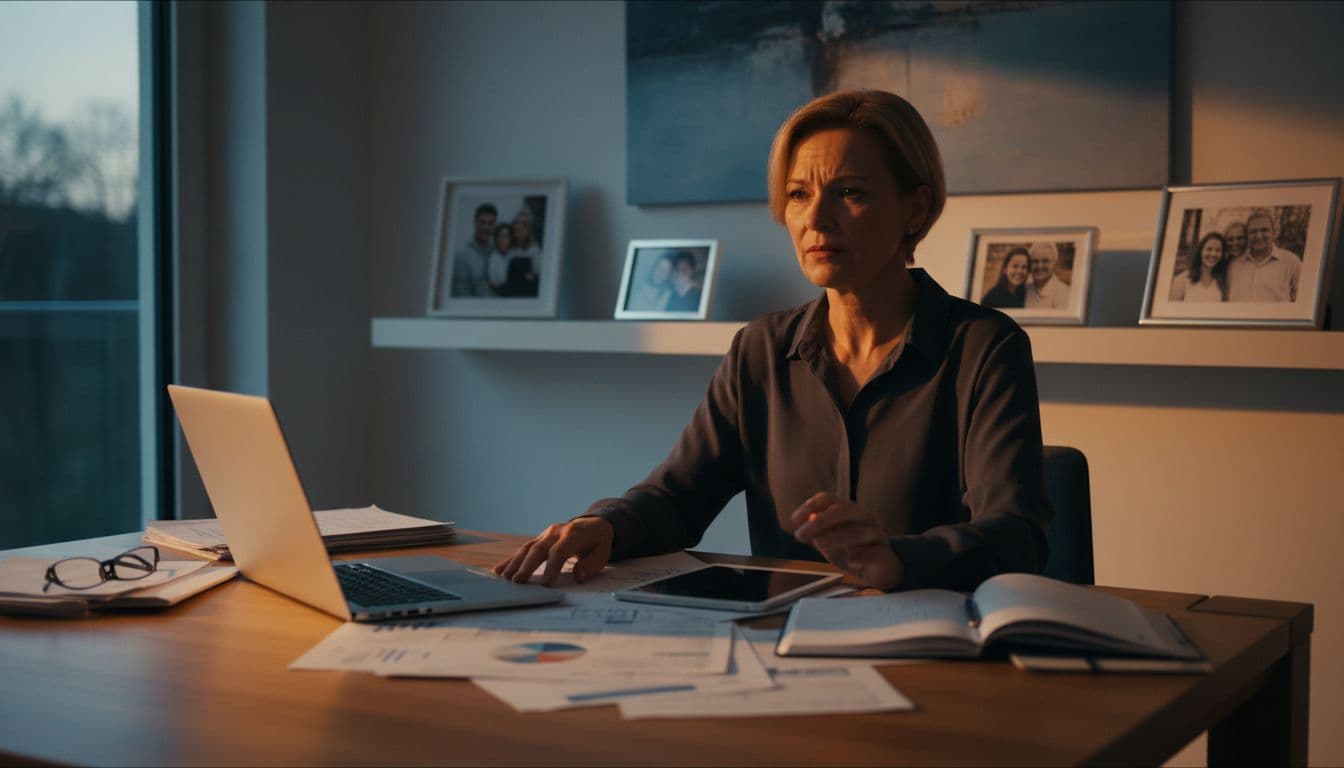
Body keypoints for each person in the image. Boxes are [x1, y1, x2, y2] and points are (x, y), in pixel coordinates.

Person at [496, 89, 1050, 592]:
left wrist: (898, 559)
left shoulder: (984, 347)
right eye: (799, 194)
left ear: (917, 209)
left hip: (931, 643)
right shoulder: (759, 350)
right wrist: (605, 525)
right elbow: (679, 497)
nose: (817, 218)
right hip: (779, 640)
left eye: (850, 192)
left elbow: (1016, 534)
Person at [1226, 209, 1301, 302]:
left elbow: (1303, 301)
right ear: (1248, 235)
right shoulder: (1234, 265)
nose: (1259, 236)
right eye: (1253, 231)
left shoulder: (1292, 262)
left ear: (1274, 232)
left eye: (1264, 230)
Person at [448, 203, 496, 298]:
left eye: (490, 224)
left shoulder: (497, 252)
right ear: (475, 223)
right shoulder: (462, 256)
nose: (486, 227)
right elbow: (462, 296)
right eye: (482, 223)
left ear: (494, 226)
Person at [1169, 232, 1228, 302]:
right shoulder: (1182, 279)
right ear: (1200, 251)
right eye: (1209, 249)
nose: (1213, 254)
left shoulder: (1223, 280)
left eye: (1218, 250)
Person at [1024, 242, 1069, 309]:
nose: (1040, 266)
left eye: (1045, 261)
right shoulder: (1025, 290)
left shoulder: (1064, 293)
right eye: (1035, 261)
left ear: (1054, 264)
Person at [486, 223, 513, 296]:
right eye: (500, 236)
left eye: (506, 237)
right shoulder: (492, 258)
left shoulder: (515, 255)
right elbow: (494, 285)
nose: (503, 240)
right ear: (496, 239)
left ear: (511, 239)